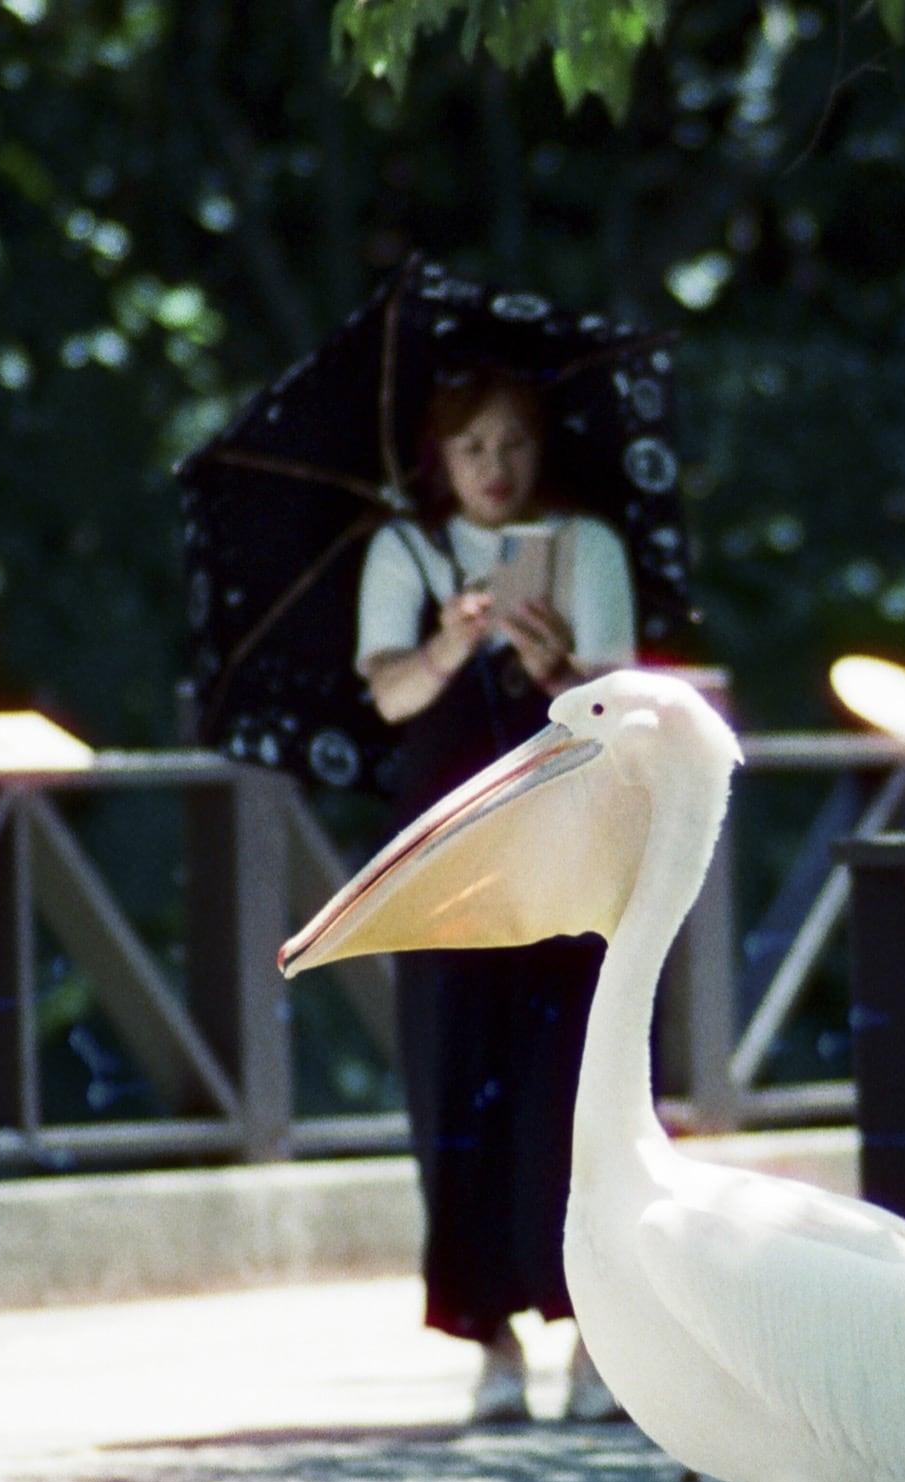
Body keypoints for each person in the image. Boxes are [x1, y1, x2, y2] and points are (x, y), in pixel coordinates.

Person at [356, 368, 634, 1423]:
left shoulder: (586, 545)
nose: (495, 467)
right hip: (449, 857)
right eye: (473, 446)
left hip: (567, 843)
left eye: (512, 443)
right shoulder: (408, 551)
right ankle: (490, 1334)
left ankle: (596, 1332)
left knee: (572, 1080)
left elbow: (622, 701)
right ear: (443, 457)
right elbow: (390, 695)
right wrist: (451, 641)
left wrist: (556, 666)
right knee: (453, 1075)